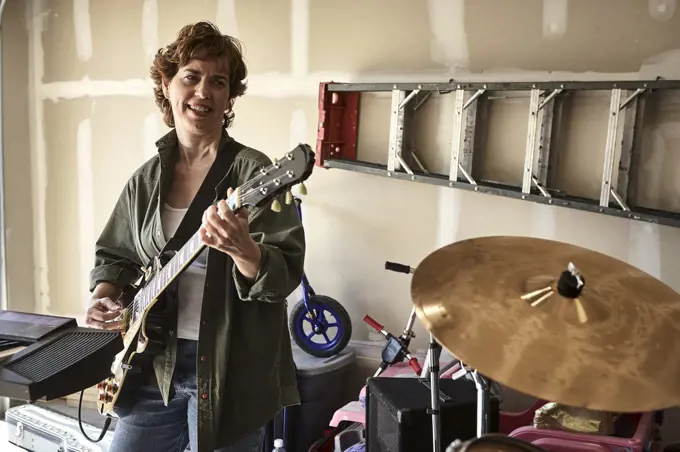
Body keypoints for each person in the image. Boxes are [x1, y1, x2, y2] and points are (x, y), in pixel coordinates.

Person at [85, 21, 305, 452]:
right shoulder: (146, 180)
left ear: (229, 97)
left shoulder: (256, 174)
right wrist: (103, 293)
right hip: (150, 364)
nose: (203, 92)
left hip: (230, 373)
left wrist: (246, 251)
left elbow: (285, 275)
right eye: (192, 77)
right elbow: (116, 252)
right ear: (167, 85)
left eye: (218, 82)